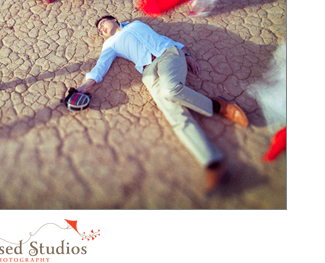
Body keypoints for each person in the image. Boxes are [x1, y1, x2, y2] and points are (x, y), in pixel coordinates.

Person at [76, 15, 249, 194]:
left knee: (171, 90)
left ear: (114, 20)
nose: (102, 28)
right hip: (148, 71)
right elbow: (100, 66)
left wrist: (186, 54)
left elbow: (162, 38)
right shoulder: (110, 44)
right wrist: (84, 86)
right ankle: (213, 165)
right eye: (99, 29)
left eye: (103, 23)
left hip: (168, 54)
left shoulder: (136, 24)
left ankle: (218, 106)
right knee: (174, 115)